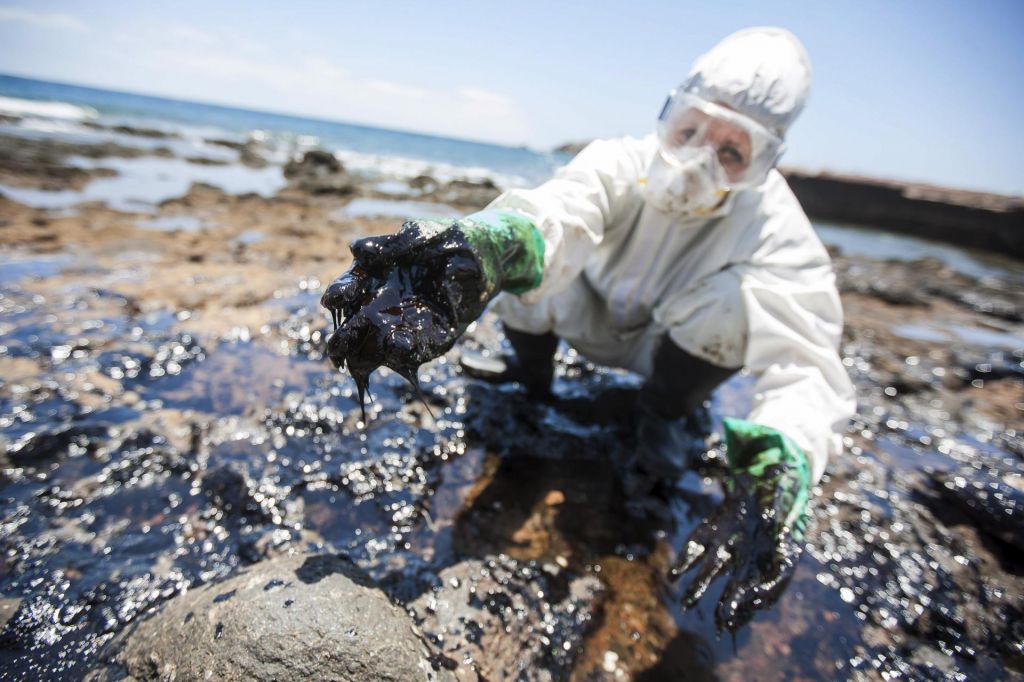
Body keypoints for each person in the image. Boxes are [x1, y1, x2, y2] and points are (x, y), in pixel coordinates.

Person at [321, 27, 856, 632]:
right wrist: (495, 244)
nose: (699, 160)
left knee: (740, 304)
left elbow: (807, 361)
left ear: (766, 163)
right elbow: (558, 212)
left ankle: (661, 416)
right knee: (527, 259)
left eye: (733, 152)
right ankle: (530, 375)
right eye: (690, 130)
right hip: (587, 321)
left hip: (671, 355)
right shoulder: (617, 162)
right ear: (669, 114)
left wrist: (782, 464)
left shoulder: (775, 227)